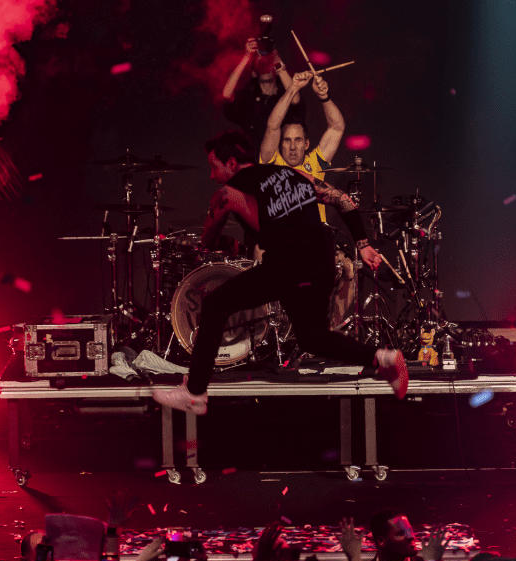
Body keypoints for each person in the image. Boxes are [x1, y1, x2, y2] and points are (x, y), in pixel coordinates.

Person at [152, 130, 407, 415]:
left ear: (233, 163)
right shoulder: (293, 175)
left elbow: (209, 242)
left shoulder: (227, 193)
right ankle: (382, 358)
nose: (212, 175)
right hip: (320, 257)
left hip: (289, 263)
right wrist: (363, 244)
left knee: (214, 305)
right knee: (313, 337)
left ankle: (195, 392)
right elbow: (344, 200)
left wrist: (225, 243)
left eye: (214, 167)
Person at [260, 70, 344, 224]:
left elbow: (337, 127)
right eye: (287, 140)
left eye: (298, 140)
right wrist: (293, 87)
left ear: (306, 144)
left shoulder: (315, 163)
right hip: (283, 241)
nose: (292, 146)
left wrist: (323, 96)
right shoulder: (271, 163)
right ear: (280, 143)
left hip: (316, 240)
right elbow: (272, 126)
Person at [223, 39, 305, 153]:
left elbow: (295, 98)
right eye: (260, 63)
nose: (265, 65)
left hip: (281, 164)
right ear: (254, 73)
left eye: (268, 63)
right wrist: (246, 57)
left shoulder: (284, 97)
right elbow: (226, 94)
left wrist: (276, 59)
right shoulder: (248, 100)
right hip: (254, 165)